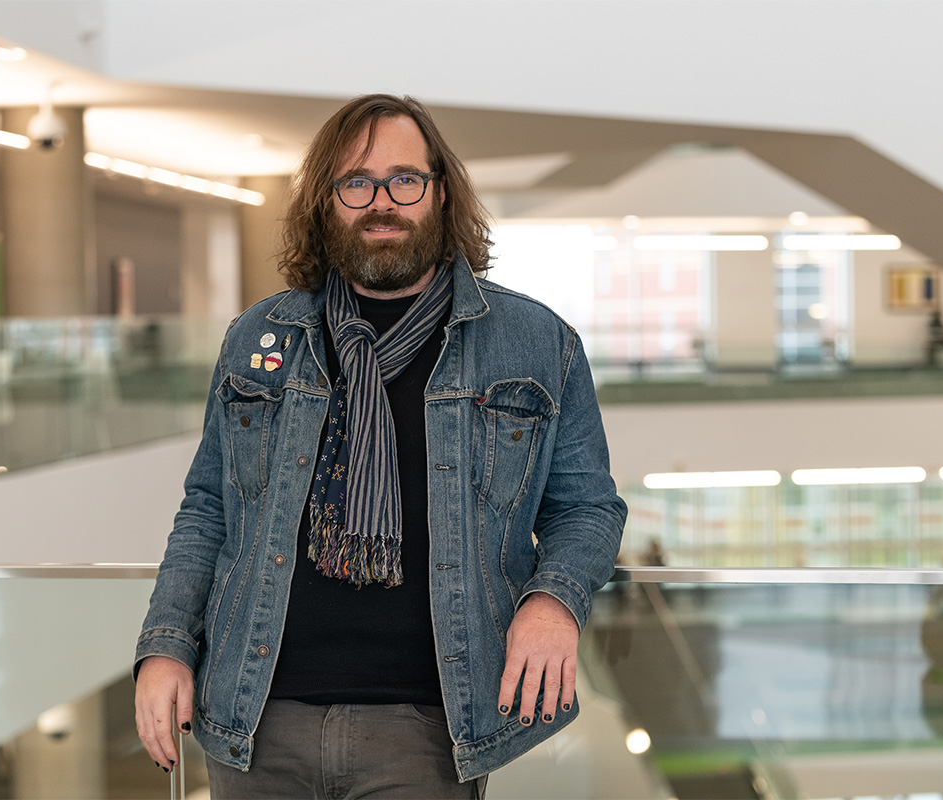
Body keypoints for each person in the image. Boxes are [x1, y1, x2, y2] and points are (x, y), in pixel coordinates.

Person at [133, 93, 626, 799]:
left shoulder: (535, 342)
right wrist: (166, 646)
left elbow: (589, 508)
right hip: (254, 718)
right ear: (326, 202)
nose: (382, 202)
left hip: (428, 726)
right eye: (356, 183)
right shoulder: (259, 338)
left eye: (405, 180)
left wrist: (554, 600)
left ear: (440, 192)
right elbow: (209, 513)